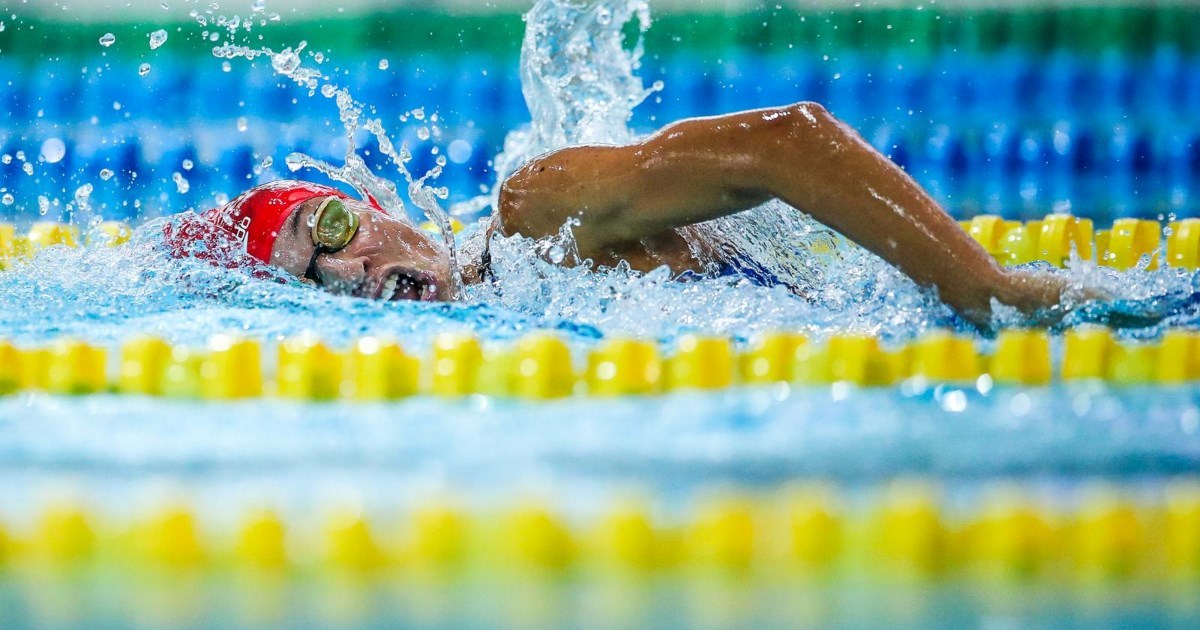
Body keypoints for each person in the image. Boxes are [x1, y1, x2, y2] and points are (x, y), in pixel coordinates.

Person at [164, 101, 1069, 327]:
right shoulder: (501, 314)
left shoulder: (533, 217)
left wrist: (986, 291)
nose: (350, 269)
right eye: (315, 282)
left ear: (368, 202)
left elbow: (790, 140)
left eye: (328, 233)